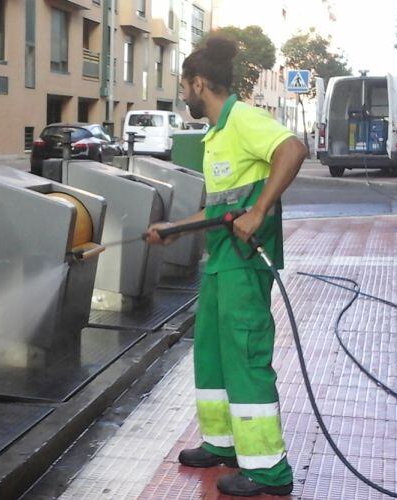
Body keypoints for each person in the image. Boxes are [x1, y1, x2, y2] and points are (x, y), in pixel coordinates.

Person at [145, 36, 306, 497]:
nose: (183, 95)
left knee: (245, 359)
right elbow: (220, 210)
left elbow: (292, 150)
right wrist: (172, 227)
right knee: (212, 358)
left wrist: (259, 212)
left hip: (243, 265)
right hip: (219, 264)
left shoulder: (242, 120)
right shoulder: (217, 135)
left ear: (199, 83)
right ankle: (222, 444)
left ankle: (269, 469)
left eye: (184, 86)